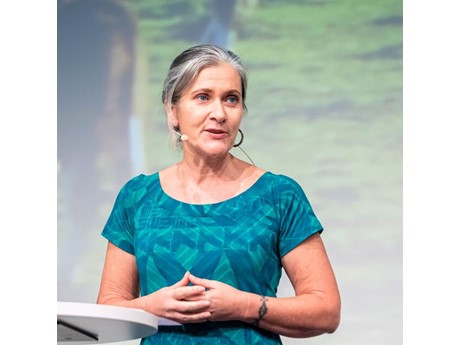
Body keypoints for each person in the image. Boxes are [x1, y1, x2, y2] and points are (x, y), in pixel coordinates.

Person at [97, 44, 341, 344]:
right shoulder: (137, 197)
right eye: (203, 97)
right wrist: (151, 306)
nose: (219, 113)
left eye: (231, 99)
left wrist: (244, 306)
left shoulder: (279, 195)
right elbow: (108, 310)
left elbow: (325, 311)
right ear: (172, 111)